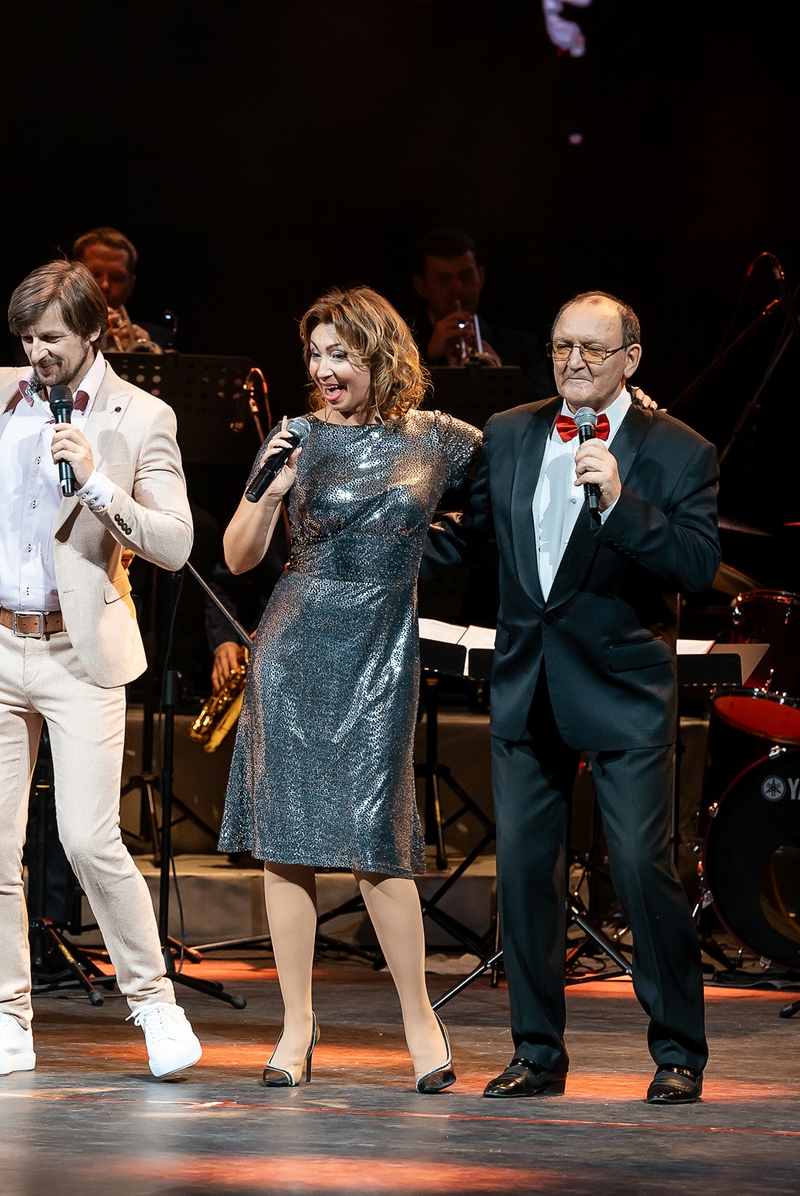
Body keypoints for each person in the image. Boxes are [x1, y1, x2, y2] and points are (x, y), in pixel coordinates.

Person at [427, 291, 718, 1106]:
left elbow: (696, 566)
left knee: (640, 869)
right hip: (527, 683)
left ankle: (677, 1052)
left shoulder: (679, 450)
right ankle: (535, 1054)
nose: (574, 361)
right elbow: (471, 535)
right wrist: (380, 542)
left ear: (630, 359)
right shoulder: (509, 432)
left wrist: (621, 503)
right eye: (562, 346)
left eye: (593, 348)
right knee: (525, 876)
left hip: (623, 689)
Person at [0, 260, 203, 1080]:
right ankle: (5, 1018)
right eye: (25, 338)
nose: (35, 353)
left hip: (77, 649)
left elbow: (175, 543)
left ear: (93, 331)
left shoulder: (142, 414)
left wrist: (96, 484)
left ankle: (153, 1004)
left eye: (50, 337)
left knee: (87, 837)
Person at [216, 287, 478, 1091]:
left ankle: (419, 1018)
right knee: (286, 844)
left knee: (376, 838)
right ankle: (296, 1025)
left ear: (379, 353)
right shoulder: (294, 436)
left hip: (379, 647)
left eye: (340, 353)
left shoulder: (439, 439)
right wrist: (269, 487)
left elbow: (502, 498)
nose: (323, 369)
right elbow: (235, 556)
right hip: (293, 645)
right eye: (315, 355)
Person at [411, 227, 545, 399]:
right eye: (443, 280)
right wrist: (426, 359)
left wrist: (501, 372)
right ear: (421, 287)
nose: (457, 288)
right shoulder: (404, 349)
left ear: (480, 277)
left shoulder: (521, 347)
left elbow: (547, 406)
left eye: (466, 276)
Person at [71, 227, 170, 353]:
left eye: (117, 277)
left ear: (131, 285)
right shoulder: (49, 330)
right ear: (72, 277)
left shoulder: (161, 339)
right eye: (95, 275)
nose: (105, 285)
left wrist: (149, 357)